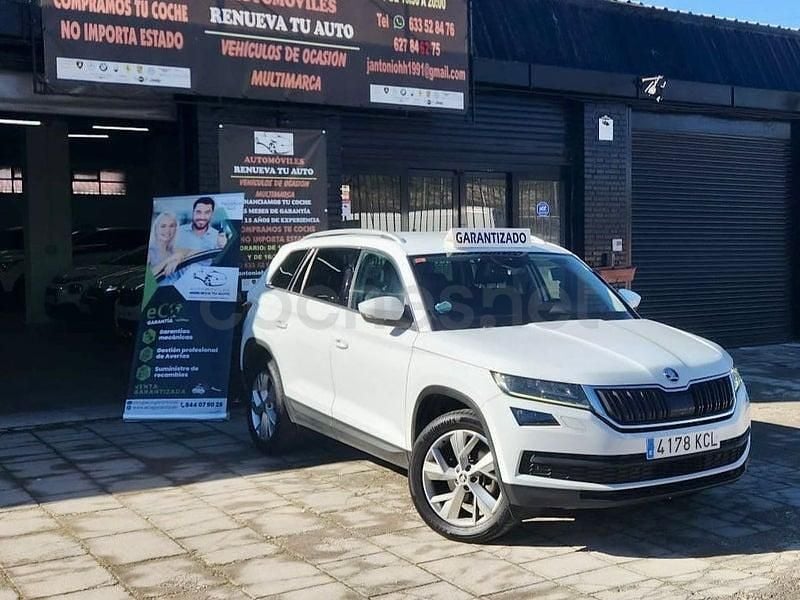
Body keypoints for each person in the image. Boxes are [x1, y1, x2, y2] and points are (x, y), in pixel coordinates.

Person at [148, 212, 189, 285]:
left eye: (171, 226)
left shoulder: (173, 251)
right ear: (155, 228)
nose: (167, 230)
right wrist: (170, 259)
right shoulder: (149, 251)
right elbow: (147, 278)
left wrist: (179, 258)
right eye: (163, 226)